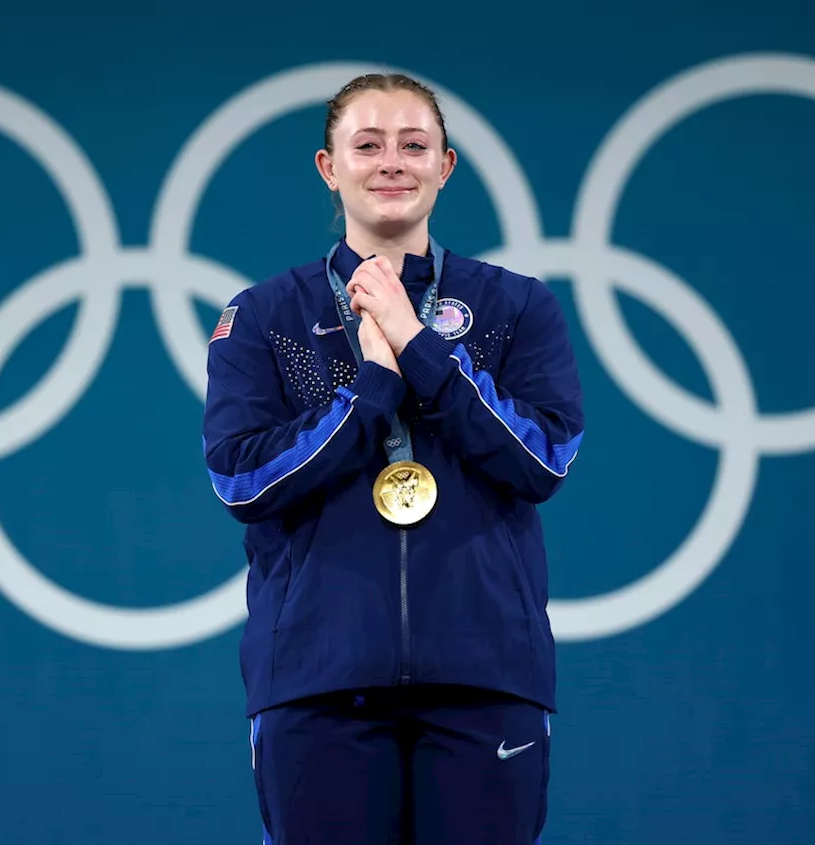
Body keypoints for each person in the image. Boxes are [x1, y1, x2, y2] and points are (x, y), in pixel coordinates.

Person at [201, 71, 585, 845]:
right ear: (328, 166)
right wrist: (370, 386)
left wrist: (417, 345)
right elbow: (243, 477)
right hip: (318, 675)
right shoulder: (264, 315)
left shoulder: (516, 306)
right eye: (367, 144)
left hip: (484, 670)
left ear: (445, 166)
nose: (391, 162)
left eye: (415, 145)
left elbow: (541, 461)